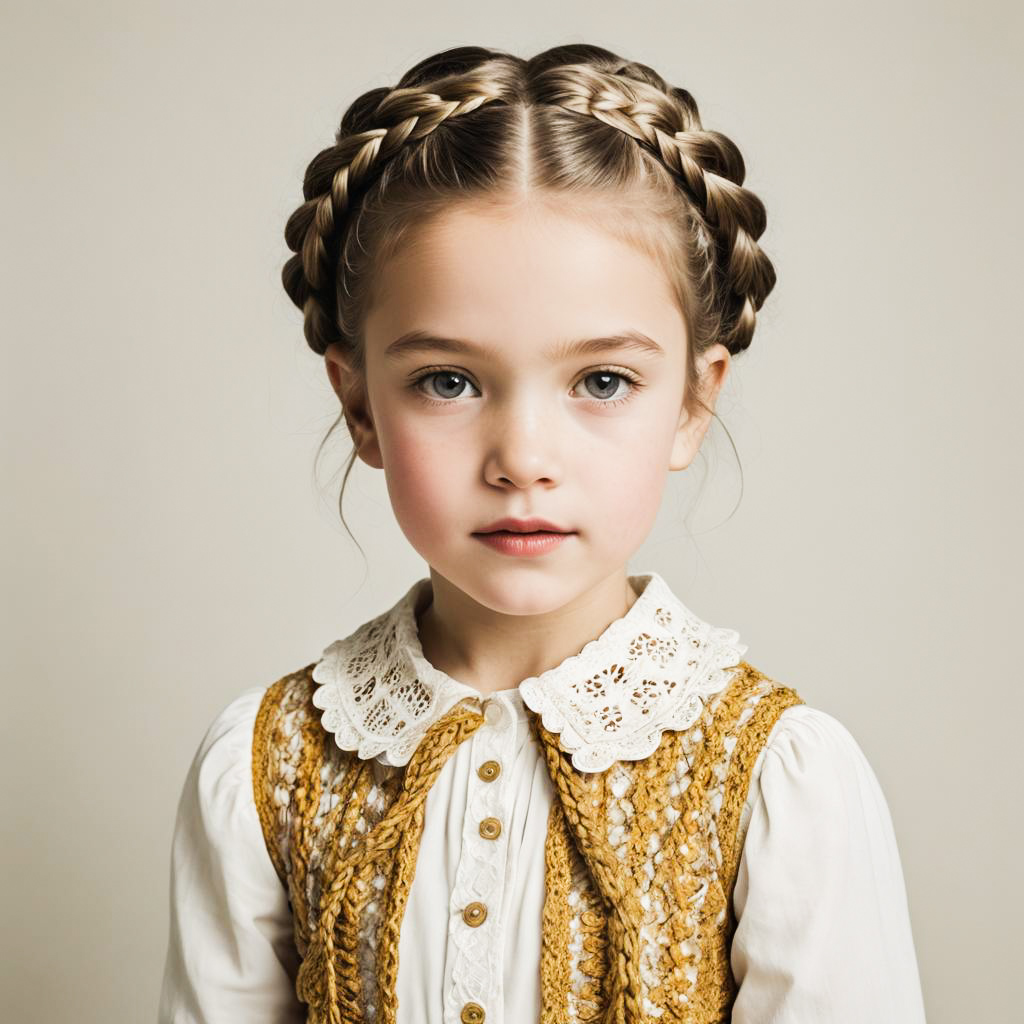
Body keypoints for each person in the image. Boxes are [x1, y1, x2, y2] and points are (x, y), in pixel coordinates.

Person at [158, 42, 927, 1024]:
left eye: (601, 382)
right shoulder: (262, 770)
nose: (522, 455)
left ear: (693, 402)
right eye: (448, 380)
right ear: (358, 406)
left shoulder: (782, 783)